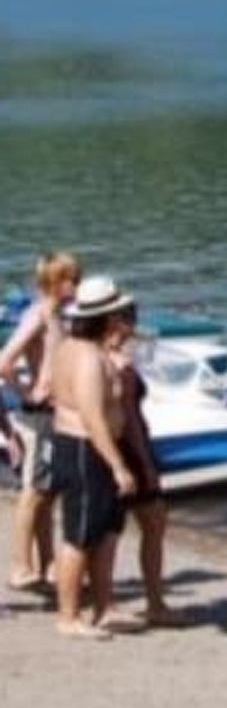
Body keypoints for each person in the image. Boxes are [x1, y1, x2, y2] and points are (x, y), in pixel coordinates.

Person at [47, 275, 136, 640]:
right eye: (118, 313)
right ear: (107, 317)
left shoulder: (79, 348)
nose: (123, 319)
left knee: (103, 530)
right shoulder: (84, 356)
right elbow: (92, 415)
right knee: (80, 534)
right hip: (85, 448)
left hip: (87, 445)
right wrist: (118, 466)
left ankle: (103, 606)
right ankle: (68, 615)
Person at [0, 252, 82, 589]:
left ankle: (48, 565)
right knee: (34, 492)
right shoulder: (38, 314)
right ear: (53, 281)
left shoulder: (60, 315)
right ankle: (20, 565)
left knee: (47, 493)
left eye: (76, 278)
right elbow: (4, 361)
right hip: (37, 416)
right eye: (69, 279)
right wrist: (27, 391)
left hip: (56, 414)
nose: (75, 285)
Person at [107, 301, 174, 628]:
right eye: (130, 319)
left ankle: (125, 600)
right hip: (130, 449)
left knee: (120, 527)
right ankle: (153, 601)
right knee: (149, 522)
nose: (134, 325)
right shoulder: (116, 363)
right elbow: (128, 418)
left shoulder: (97, 356)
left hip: (118, 447)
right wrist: (145, 464)